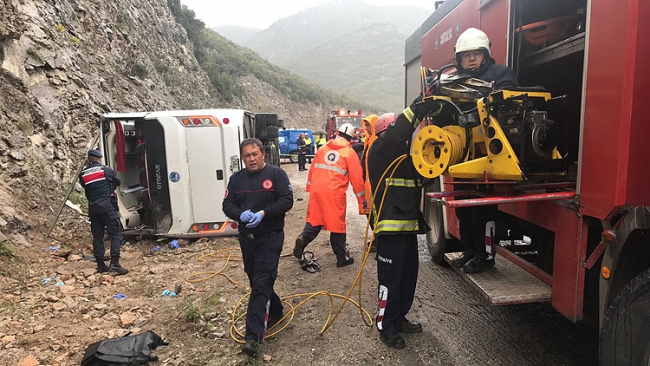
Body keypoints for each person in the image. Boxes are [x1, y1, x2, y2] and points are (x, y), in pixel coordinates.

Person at [367, 99, 438, 349]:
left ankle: (399, 317)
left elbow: (426, 177)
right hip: (389, 229)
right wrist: (416, 110)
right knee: (390, 279)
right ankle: (385, 325)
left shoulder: (406, 161)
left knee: (408, 276)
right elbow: (396, 136)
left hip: (407, 227)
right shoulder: (379, 150)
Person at [450, 27, 519, 274]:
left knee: (483, 207)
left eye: (475, 54)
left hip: (489, 153)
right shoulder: (452, 81)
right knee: (462, 204)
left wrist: (481, 92)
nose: (470, 59)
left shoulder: (501, 74)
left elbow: (508, 100)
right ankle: (469, 249)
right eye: (465, 55)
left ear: (485, 54)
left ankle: (485, 255)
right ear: (458, 59)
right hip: (463, 154)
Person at [222, 138, 294, 358]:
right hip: (248, 239)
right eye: (247, 155)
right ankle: (277, 309)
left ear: (263, 154)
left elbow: (287, 201)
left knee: (262, 281)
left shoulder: (276, 175)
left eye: (255, 154)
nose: (251, 159)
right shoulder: (236, 179)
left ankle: (252, 337)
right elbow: (227, 204)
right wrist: (239, 214)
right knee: (255, 280)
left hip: (270, 237)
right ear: (242, 158)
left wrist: (263, 213)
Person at [293, 123, 365, 267]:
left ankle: (303, 238)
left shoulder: (323, 148)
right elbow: (357, 179)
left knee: (315, 220)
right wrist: (362, 200)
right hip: (334, 193)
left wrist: (309, 188)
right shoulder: (349, 152)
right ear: (351, 137)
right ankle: (341, 258)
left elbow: (312, 169)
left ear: (337, 133)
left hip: (316, 191)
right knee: (337, 225)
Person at [79, 149, 128, 275]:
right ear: (99, 159)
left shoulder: (83, 174)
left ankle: (101, 265)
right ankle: (115, 264)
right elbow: (118, 182)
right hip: (108, 207)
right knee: (116, 233)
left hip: (93, 209)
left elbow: (86, 187)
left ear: (89, 160)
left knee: (98, 236)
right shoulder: (105, 170)